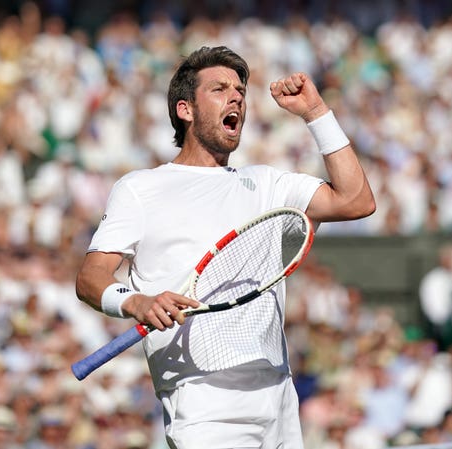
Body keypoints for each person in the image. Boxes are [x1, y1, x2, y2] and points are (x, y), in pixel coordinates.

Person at [75, 45, 375, 449]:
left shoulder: (270, 183)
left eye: (239, 90)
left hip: (278, 392)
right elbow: (90, 278)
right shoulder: (140, 188)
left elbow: (357, 200)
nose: (236, 96)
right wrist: (136, 302)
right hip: (202, 400)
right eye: (219, 89)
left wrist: (316, 112)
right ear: (186, 110)